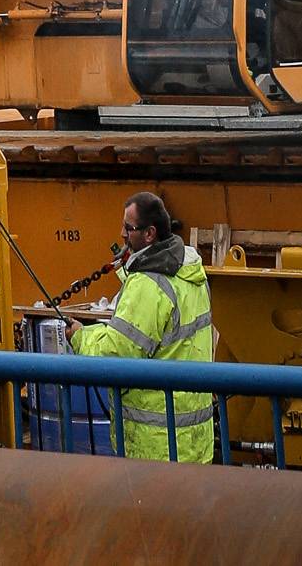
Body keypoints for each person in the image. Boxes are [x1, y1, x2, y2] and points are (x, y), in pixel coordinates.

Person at [72, 191, 215, 461]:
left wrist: (79, 336)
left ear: (149, 234)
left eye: (128, 228)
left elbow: (114, 355)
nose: (122, 234)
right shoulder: (192, 272)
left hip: (156, 447)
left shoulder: (148, 285)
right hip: (195, 442)